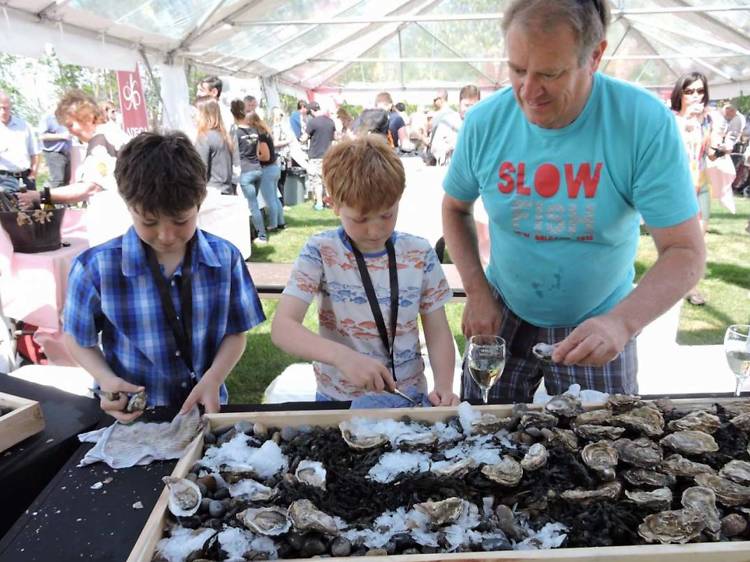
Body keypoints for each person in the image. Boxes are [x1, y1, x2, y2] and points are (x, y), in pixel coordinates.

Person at [442, 0, 705, 403]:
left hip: (600, 316)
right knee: (479, 438)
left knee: (605, 445)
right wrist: (477, 291)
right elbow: (455, 207)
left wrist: (621, 323)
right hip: (503, 308)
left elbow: (685, 251)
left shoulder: (641, 123)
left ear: (595, 55)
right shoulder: (485, 122)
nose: (528, 91)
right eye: (516, 70)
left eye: (550, 73)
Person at [63, 131, 265, 422]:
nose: (167, 236)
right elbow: (77, 338)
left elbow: (236, 332)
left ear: (200, 201)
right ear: (128, 205)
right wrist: (105, 379)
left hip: (205, 411)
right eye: (149, 221)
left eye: (181, 220)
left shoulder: (225, 259)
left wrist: (214, 378)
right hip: (134, 416)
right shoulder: (96, 268)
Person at [271, 135, 458, 407]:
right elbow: (283, 328)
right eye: (360, 219)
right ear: (333, 203)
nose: (376, 230)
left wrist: (444, 386)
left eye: (387, 214)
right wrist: (342, 357)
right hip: (338, 400)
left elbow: (438, 329)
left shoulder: (419, 253)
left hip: (408, 397)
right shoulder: (321, 252)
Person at [18, 89, 123, 209]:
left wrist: (41, 195)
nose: (70, 132)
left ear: (87, 118)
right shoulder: (108, 133)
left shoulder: (101, 141)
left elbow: (91, 187)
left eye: (71, 125)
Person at [670, 72, 713, 306]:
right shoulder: (672, 119)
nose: (696, 95)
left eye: (700, 90)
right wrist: (687, 120)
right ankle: (677, 284)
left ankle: (690, 286)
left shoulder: (708, 120)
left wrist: (721, 148)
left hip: (701, 183)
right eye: (689, 91)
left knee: (699, 240)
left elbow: (712, 150)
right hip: (679, 186)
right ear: (681, 94)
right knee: (679, 241)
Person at [230, 99, 267, 244]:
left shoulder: (235, 132)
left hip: (245, 172)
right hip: (257, 169)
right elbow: (257, 151)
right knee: (253, 205)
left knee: (252, 206)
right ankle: (255, 233)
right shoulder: (254, 130)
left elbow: (233, 152)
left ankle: (261, 235)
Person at [194, 96, 240, 195]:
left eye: (196, 112)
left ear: (203, 114)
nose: (194, 116)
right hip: (226, 190)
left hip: (212, 192)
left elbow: (201, 171)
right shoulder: (224, 136)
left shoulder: (204, 137)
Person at [248, 112, 285, 232]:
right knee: (274, 198)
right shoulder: (265, 132)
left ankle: (273, 224)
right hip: (273, 169)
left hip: (267, 170)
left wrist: (251, 156)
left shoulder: (260, 135)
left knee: (270, 199)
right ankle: (280, 222)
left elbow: (265, 156)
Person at [0, 91, 40, 193]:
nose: (3, 111)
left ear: (10, 107)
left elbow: (35, 153)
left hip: (26, 178)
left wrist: (33, 174)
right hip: (3, 179)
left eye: (6, 108)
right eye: (0, 108)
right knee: (8, 208)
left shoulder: (25, 126)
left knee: (31, 208)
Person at [300, 101, 335, 210]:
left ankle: (319, 203)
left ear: (311, 111)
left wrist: (301, 139)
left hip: (315, 155)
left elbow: (304, 138)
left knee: (317, 180)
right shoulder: (330, 122)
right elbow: (334, 137)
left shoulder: (312, 123)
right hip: (329, 155)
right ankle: (330, 201)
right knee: (328, 180)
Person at [37, 109, 71, 188]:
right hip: (54, 153)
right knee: (57, 181)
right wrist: (62, 136)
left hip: (67, 153)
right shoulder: (48, 118)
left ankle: (64, 200)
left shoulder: (66, 117)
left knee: (67, 182)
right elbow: (42, 136)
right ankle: (51, 198)